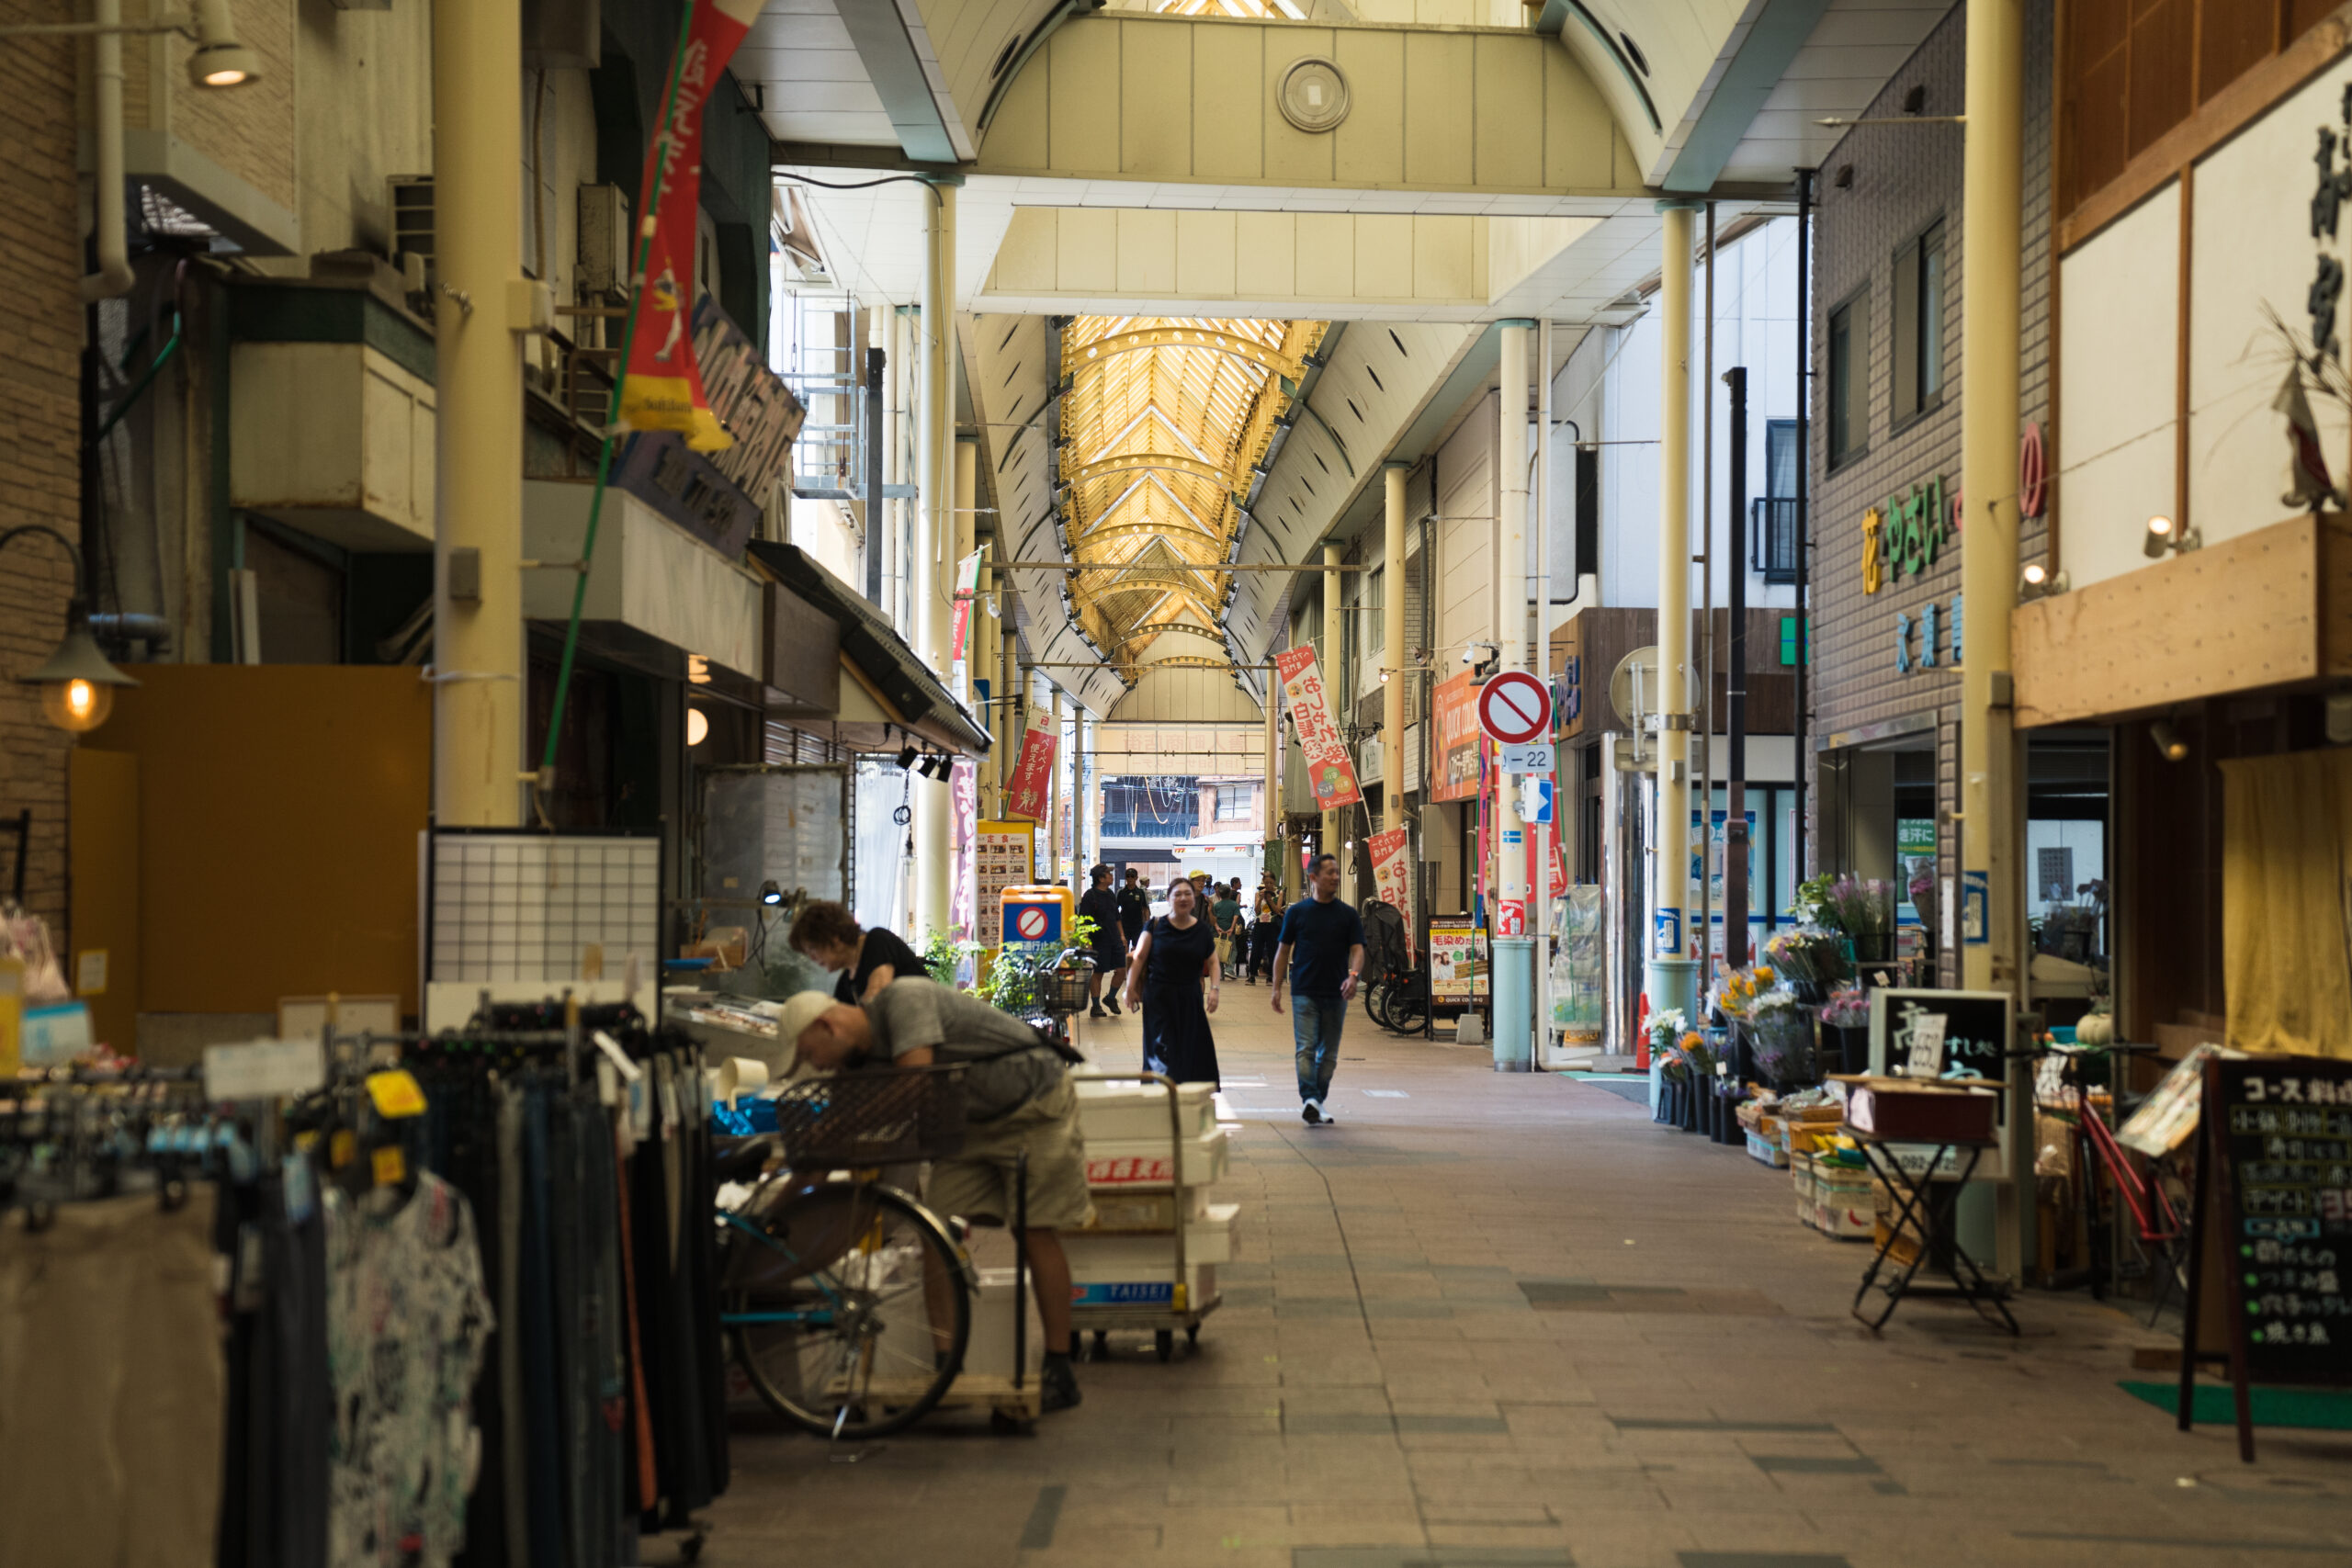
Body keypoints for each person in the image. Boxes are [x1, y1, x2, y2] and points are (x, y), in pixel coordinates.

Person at [777, 979, 1091, 1412]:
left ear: (828, 1026)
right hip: (967, 1126)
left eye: (810, 1055)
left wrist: (838, 1129)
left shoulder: (904, 1000)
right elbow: (828, 1149)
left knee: (1034, 1228)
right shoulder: (860, 1065)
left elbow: (916, 1083)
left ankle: (1060, 1367)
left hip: (1035, 1104)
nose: (818, 1067)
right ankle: (947, 1366)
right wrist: (772, 1212)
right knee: (933, 1230)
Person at [1270, 853, 1366, 1125]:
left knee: (1329, 1056)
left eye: (1337, 872)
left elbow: (1358, 950)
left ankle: (1315, 1100)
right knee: (1306, 1048)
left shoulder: (1347, 914)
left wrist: (1354, 976)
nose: (1336, 877)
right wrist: (1276, 988)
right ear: (1313, 877)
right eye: (1330, 873)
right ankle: (1310, 1098)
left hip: (1337, 994)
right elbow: (1282, 951)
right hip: (1304, 991)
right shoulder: (1297, 913)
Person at [1122, 877, 1221, 1086]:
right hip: (1159, 996)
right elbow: (1139, 957)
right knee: (1161, 1045)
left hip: (1190, 996)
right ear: (1169, 899)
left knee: (1189, 1044)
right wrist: (1129, 988)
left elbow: (1213, 961)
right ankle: (1163, 1087)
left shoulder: (1201, 930)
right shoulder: (1155, 925)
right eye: (1178, 894)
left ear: (1194, 900)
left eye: (1188, 894)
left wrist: (1214, 989)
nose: (1183, 898)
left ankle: (1185, 1088)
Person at [789, 899, 924, 1004]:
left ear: (834, 939)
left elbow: (877, 996)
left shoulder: (877, 940)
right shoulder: (846, 982)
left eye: (813, 949)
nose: (812, 958)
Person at [1078, 863, 1128, 1019]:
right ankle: (1096, 1005)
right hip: (1098, 940)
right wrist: (1087, 941)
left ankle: (1111, 998)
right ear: (1101, 878)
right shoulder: (1090, 896)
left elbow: (1116, 917)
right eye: (1109, 874)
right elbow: (1083, 922)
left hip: (1114, 938)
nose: (1112, 876)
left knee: (1122, 969)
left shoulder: (1111, 894)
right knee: (1098, 972)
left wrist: (1122, 935)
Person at [1250, 874, 1284, 985]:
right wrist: (1260, 899)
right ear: (1263, 882)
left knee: (1272, 951)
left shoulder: (1279, 893)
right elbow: (1256, 911)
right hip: (1260, 924)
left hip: (1272, 924)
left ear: (1274, 882)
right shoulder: (1258, 893)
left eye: (1271, 882)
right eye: (1266, 882)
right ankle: (1252, 976)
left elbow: (1277, 910)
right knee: (1256, 950)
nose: (1269, 885)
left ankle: (1271, 976)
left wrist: (1270, 900)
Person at [1209, 881, 1244, 981]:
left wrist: (1216, 927)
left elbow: (1214, 917)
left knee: (1219, 950)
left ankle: (1220, 973)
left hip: (1218, 931)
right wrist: (1232, 928)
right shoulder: (1234, 905)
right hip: (1229, 931)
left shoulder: (1217, 905)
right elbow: (1235, 917)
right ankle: (1229, 969)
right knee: (1233, 950)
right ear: (1229, 894)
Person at [1116, 867, 1151, 959]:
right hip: (1125, 925)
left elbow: (1145, 909)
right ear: (1125, 878)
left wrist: (1147, 924)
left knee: (1137, 949)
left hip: (1138, 925)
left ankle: (1134, 969)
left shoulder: (1140, 892)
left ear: (1136, 878)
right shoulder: (1121, 892)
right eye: (1128, 876)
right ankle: (1124, 969)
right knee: (1124, 948)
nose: (1130, 878)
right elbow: (1115, 909)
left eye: (1132, 876)